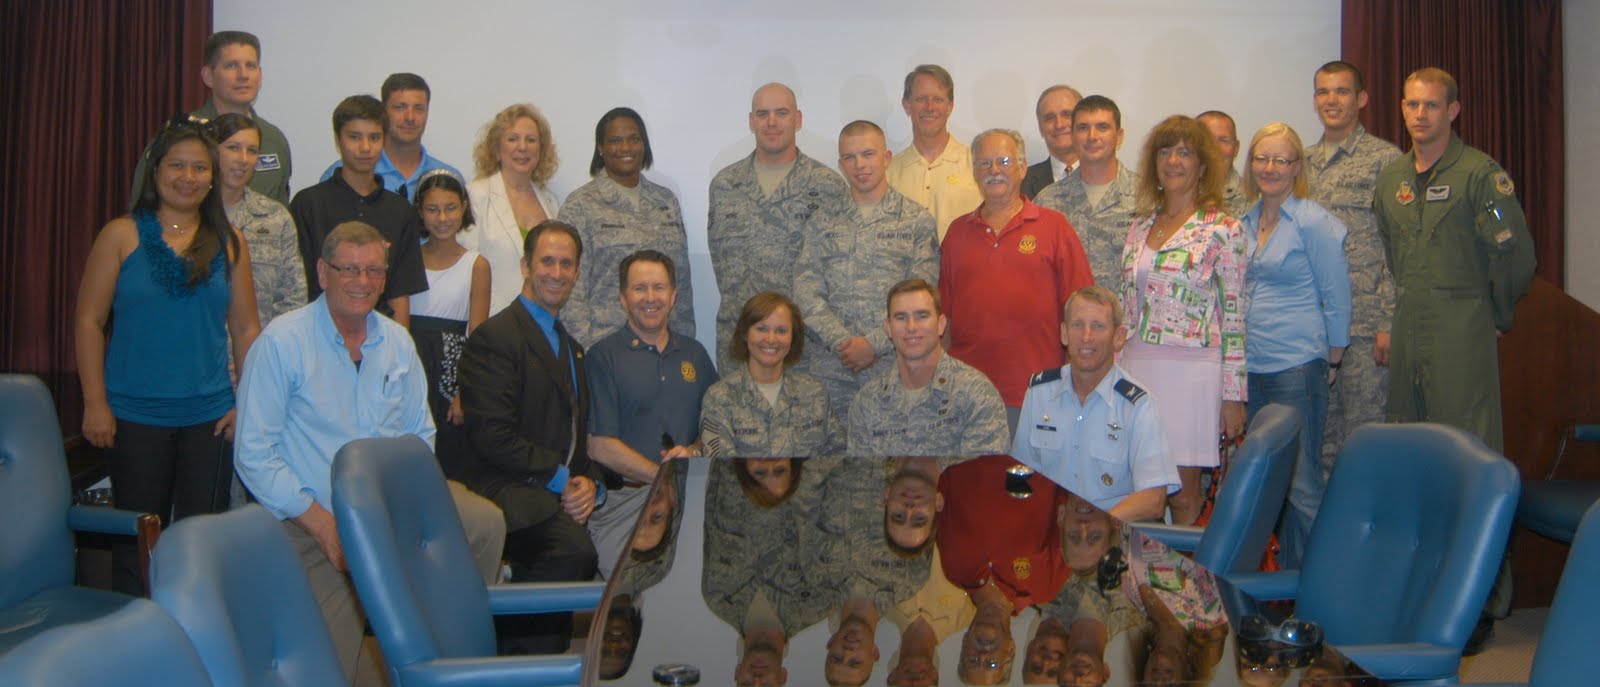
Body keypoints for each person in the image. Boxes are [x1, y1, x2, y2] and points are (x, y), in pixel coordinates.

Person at [233, 222, 506, 679]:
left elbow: (419, 436)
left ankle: (443, 653)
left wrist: (403, 512)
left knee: (484, 523)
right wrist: (324, 525)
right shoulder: (282, 343)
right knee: (327, 670)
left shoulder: (397, 341)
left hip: (389, 510)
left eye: (374, 271)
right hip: (311, 518)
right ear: (323, 272)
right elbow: (254, 454)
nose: (363, 282)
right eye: (350, 270)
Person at [77, 119, 261, 595]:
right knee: (136, 548)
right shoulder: (120, 235)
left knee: (202, 546)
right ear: (154, 171)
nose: (188, 177)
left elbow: (246, 328)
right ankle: (136, 633)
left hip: (210, 420)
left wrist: (246, 403)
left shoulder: (231, 241)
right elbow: (89, 322)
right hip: (133, 417)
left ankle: (197, 633)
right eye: (177, 166)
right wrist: (95, 403)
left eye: (200, 167)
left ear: (212, 176)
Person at [457, 220, 603, 653]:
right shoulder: (495, 337)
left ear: (577, 272)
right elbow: (492, 437)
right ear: (525, 265)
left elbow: (575, 437)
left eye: (566, 264)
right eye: (547, 262)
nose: (557, 273)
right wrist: (563, 480)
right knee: (571, 552)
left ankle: (539, 661)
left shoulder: (571, 346)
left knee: (578, 551)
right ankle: (514, 661)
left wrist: (590, 483)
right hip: (504, 486)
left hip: (548, 488)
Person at [1374, 67, 1535, 452]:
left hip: (1461, 327)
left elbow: (1515, 255)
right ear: (1402, 108)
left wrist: (1497, 313)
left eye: (1431, 105)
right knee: (1408, 434)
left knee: (1465, 438)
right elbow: (1391, 252)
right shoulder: (1392, 179)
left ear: (1453, 110)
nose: (1420, 114)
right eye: (1413, 104)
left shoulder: (1479, 175)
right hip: (1408, 325)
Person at [1121, 114, 1248, 525]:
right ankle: (1142, 566)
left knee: (1183, 495)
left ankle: (1188, 568)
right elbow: (1128, 305)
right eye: (1164, 152)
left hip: (1190, 374)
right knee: (1140, 491)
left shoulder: (1224, 229)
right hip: (1137, 369)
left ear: (1203, 166)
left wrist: (1233, 396)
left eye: (1184, 152)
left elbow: (1234, 318)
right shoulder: (1138, 227)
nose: (1173, 161)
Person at [1240, 122, 1352, 567]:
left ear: (1296, 167)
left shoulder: (1313, 222)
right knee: (1266, 484)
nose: (1269, 168)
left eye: (1280, 160)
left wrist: (1334, 360)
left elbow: (1336, 294)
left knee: (1302, 484)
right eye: (1261, 159)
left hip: (1297, 367)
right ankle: (1283, 584)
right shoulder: (1244, 221)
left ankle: (1329, 580)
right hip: (1252, 369)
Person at [940, 129, 1093, 432]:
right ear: (974, 172)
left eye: (1004, 161)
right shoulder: (957, 233)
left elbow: (1081, 311)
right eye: (984, 163)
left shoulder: (1054, 227)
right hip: (967, 395)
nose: (994, 170)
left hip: (1038, 392)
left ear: (1022, 168)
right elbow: (944, 319)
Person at [794, 120, 940, 421]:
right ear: (840, 165)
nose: (859, 165)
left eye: (868, 154)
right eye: (849, 157)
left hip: (895, 369)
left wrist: (874, 344)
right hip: (831, 371)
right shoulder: (821, 222)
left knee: (895, 450)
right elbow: (806, 292)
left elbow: (923, 300)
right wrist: (843, 343)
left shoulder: (915, 221)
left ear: (886, 158)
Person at [586, 250, 716, 577]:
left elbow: (717, 425)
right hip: (624, 502)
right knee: (621, 591)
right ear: (623, 298)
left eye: (659, 288)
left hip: (687, 500)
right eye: (639, 288)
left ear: (673, 296)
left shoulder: (695, 355)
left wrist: (695, 451)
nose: (650, 297)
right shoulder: (602, 357)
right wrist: (661, 479)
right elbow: (599, 445)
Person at [1304, 61, 1402, 472]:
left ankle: (1367, 514)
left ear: (1361, 99)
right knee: (1319, 440)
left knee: (1366, 436)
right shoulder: (1300, 163)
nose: (1332, 100)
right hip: (1313, 327)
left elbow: (1399, 247)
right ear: (1314, 101)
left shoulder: (1386, 160)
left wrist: (1388, 321)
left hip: (1365, 326)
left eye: (1342, 91)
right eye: (1323, 92)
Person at [708, 83, 848, 369]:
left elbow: (837, 270)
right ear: (751, 121)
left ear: (798, 119)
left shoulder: (827, 186)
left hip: (805, 347)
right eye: (763, 114)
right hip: (741, 345)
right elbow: (720, 263)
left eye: (781, 113)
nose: (771, 122)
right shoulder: (725, 185)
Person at [1013, 286, 1177, 522]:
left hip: (1114, 530)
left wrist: (1098, 526)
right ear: (1064, 333)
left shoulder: (1138, 405)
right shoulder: (1039, 393)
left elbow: (1153, 500)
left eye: (1098, 326)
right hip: (1053, 530)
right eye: (1078, 325)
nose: (1086, 336)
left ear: (1118, 337)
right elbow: (1022, 475)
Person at [558, 107, 695, 348]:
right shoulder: (581, 205)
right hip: (607, 345)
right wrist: (587, 350)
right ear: (601, 148)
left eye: (634, 139)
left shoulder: (665, 200)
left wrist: (684, 344)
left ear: (644, 145)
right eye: (615, 141)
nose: (625, 148)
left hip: (665, 345)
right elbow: (571, 289)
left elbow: (681, 280)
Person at [289, 95, 427, 326]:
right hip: (318, 329)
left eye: (374, 137)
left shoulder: (400, 210)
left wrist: (400, 344)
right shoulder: (308, 204)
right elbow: (297, 286)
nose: (365, 147)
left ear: (384, 140)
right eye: (354, 137)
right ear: (338, 140)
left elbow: (400, 294)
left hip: (380, 331)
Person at [846, 279, 1008, 456]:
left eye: (922, 316)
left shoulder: (976, 394)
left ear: (941, 325)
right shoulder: (867, 402)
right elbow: (861, 473)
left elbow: (984, 471)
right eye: (901, 318)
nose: (911, 327)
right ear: (888, 329)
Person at [132, 31, 291, 205]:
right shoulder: (179, 135)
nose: (243, 75)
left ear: (259, 76)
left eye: (250, 66)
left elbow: (281, 212)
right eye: (231, 65)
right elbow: (143, 207)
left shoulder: (273, 140)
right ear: (208, 76)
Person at [409, 172, 490, 481]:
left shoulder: (476, 264)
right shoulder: (406, 259)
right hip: (413, 362)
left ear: (463, 208)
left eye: (451, 208)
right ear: (420, 211)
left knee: (448, 461)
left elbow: (477, 336)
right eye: (432, 209)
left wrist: (463, 392)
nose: (442, 218)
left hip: (451, 369)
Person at [700, 292, 841, 457]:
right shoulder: (720, 398)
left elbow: (838, 459)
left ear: (793, 337)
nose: (771, 339)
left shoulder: (815, 394)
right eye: (762, 329)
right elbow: (721, 467)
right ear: (745, 333)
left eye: (781, 331)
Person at [1033, 95, 1140, 291]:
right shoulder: (1047, 201)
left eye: (1102, 127)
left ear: (1119, 136)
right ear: (1073, 136)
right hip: (1069, 310)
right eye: (1083, 128)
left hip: (1126, 311)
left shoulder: (1147, 198)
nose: (1092, 136)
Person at [463, 103, 563, 313]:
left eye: (531, 140)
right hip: (492, 320)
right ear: (496, 149)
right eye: (513, 139)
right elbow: (466, 270)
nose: (523, 147)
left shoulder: (550, 202)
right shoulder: (475, 196)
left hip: (541, 320)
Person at [213, 112, 306, 328]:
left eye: (252, 151)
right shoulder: (191, 214)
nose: (243, 159)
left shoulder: (275, 217)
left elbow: (293, 298)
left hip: (260, 343)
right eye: (233, 148)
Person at [318, 73, 465, 201]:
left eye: (419, 108)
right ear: (384, 111)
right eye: (400, 107)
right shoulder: (339, 175)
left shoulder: (448, 177)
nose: (410, 117)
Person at [886, 64, 983, 240]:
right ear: (907, 105)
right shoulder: (888, 173)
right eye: (921, 99)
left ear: (950, 106)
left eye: (938, 99)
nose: (929, 107)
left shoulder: (978, 166)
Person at [1022, 84, 1083, 199]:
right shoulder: (1021, 184)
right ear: (1041, 128)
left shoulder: (1108, 176)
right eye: (1049, 118)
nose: (1059, 125)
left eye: (1067, 115)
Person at [1198, 110, 1248, 216]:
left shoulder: (1254, 199)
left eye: (1223, 141)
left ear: (1236, 148)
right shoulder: (1172, 195)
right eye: (1206, 140)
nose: (1215, 148)